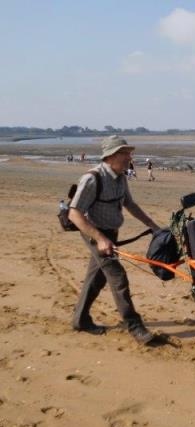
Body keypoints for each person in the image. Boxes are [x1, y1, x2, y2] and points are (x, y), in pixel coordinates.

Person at [68, 135, 161, 344]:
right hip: (95, 233)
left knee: (97, 278)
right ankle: (135, 326)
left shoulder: (120, 177)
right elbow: (74, 214)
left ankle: (79, 319)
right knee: (118, 277)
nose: (130, 156)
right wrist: (100, 239)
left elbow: (130, 204)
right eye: (125, 153)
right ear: (111, 156)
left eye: (129, 152)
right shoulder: (92, 178)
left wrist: (153, 226)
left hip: (111, 234)